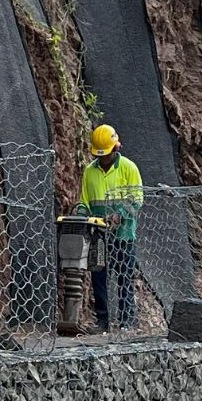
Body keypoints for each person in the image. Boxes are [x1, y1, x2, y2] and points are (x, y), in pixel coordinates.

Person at [75, 124, 143, 330]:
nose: (103, 159)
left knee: (124, 277)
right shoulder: (90, 171)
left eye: (106, 155)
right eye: (99, 156)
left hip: (123, 235)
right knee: (99, 278)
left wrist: (118, 216)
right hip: (99, 235)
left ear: (115, 149)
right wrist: (79, 216)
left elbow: (137, 199)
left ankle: (126, 321)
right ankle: (103, 321)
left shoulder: (129, 168)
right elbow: (84, 201)